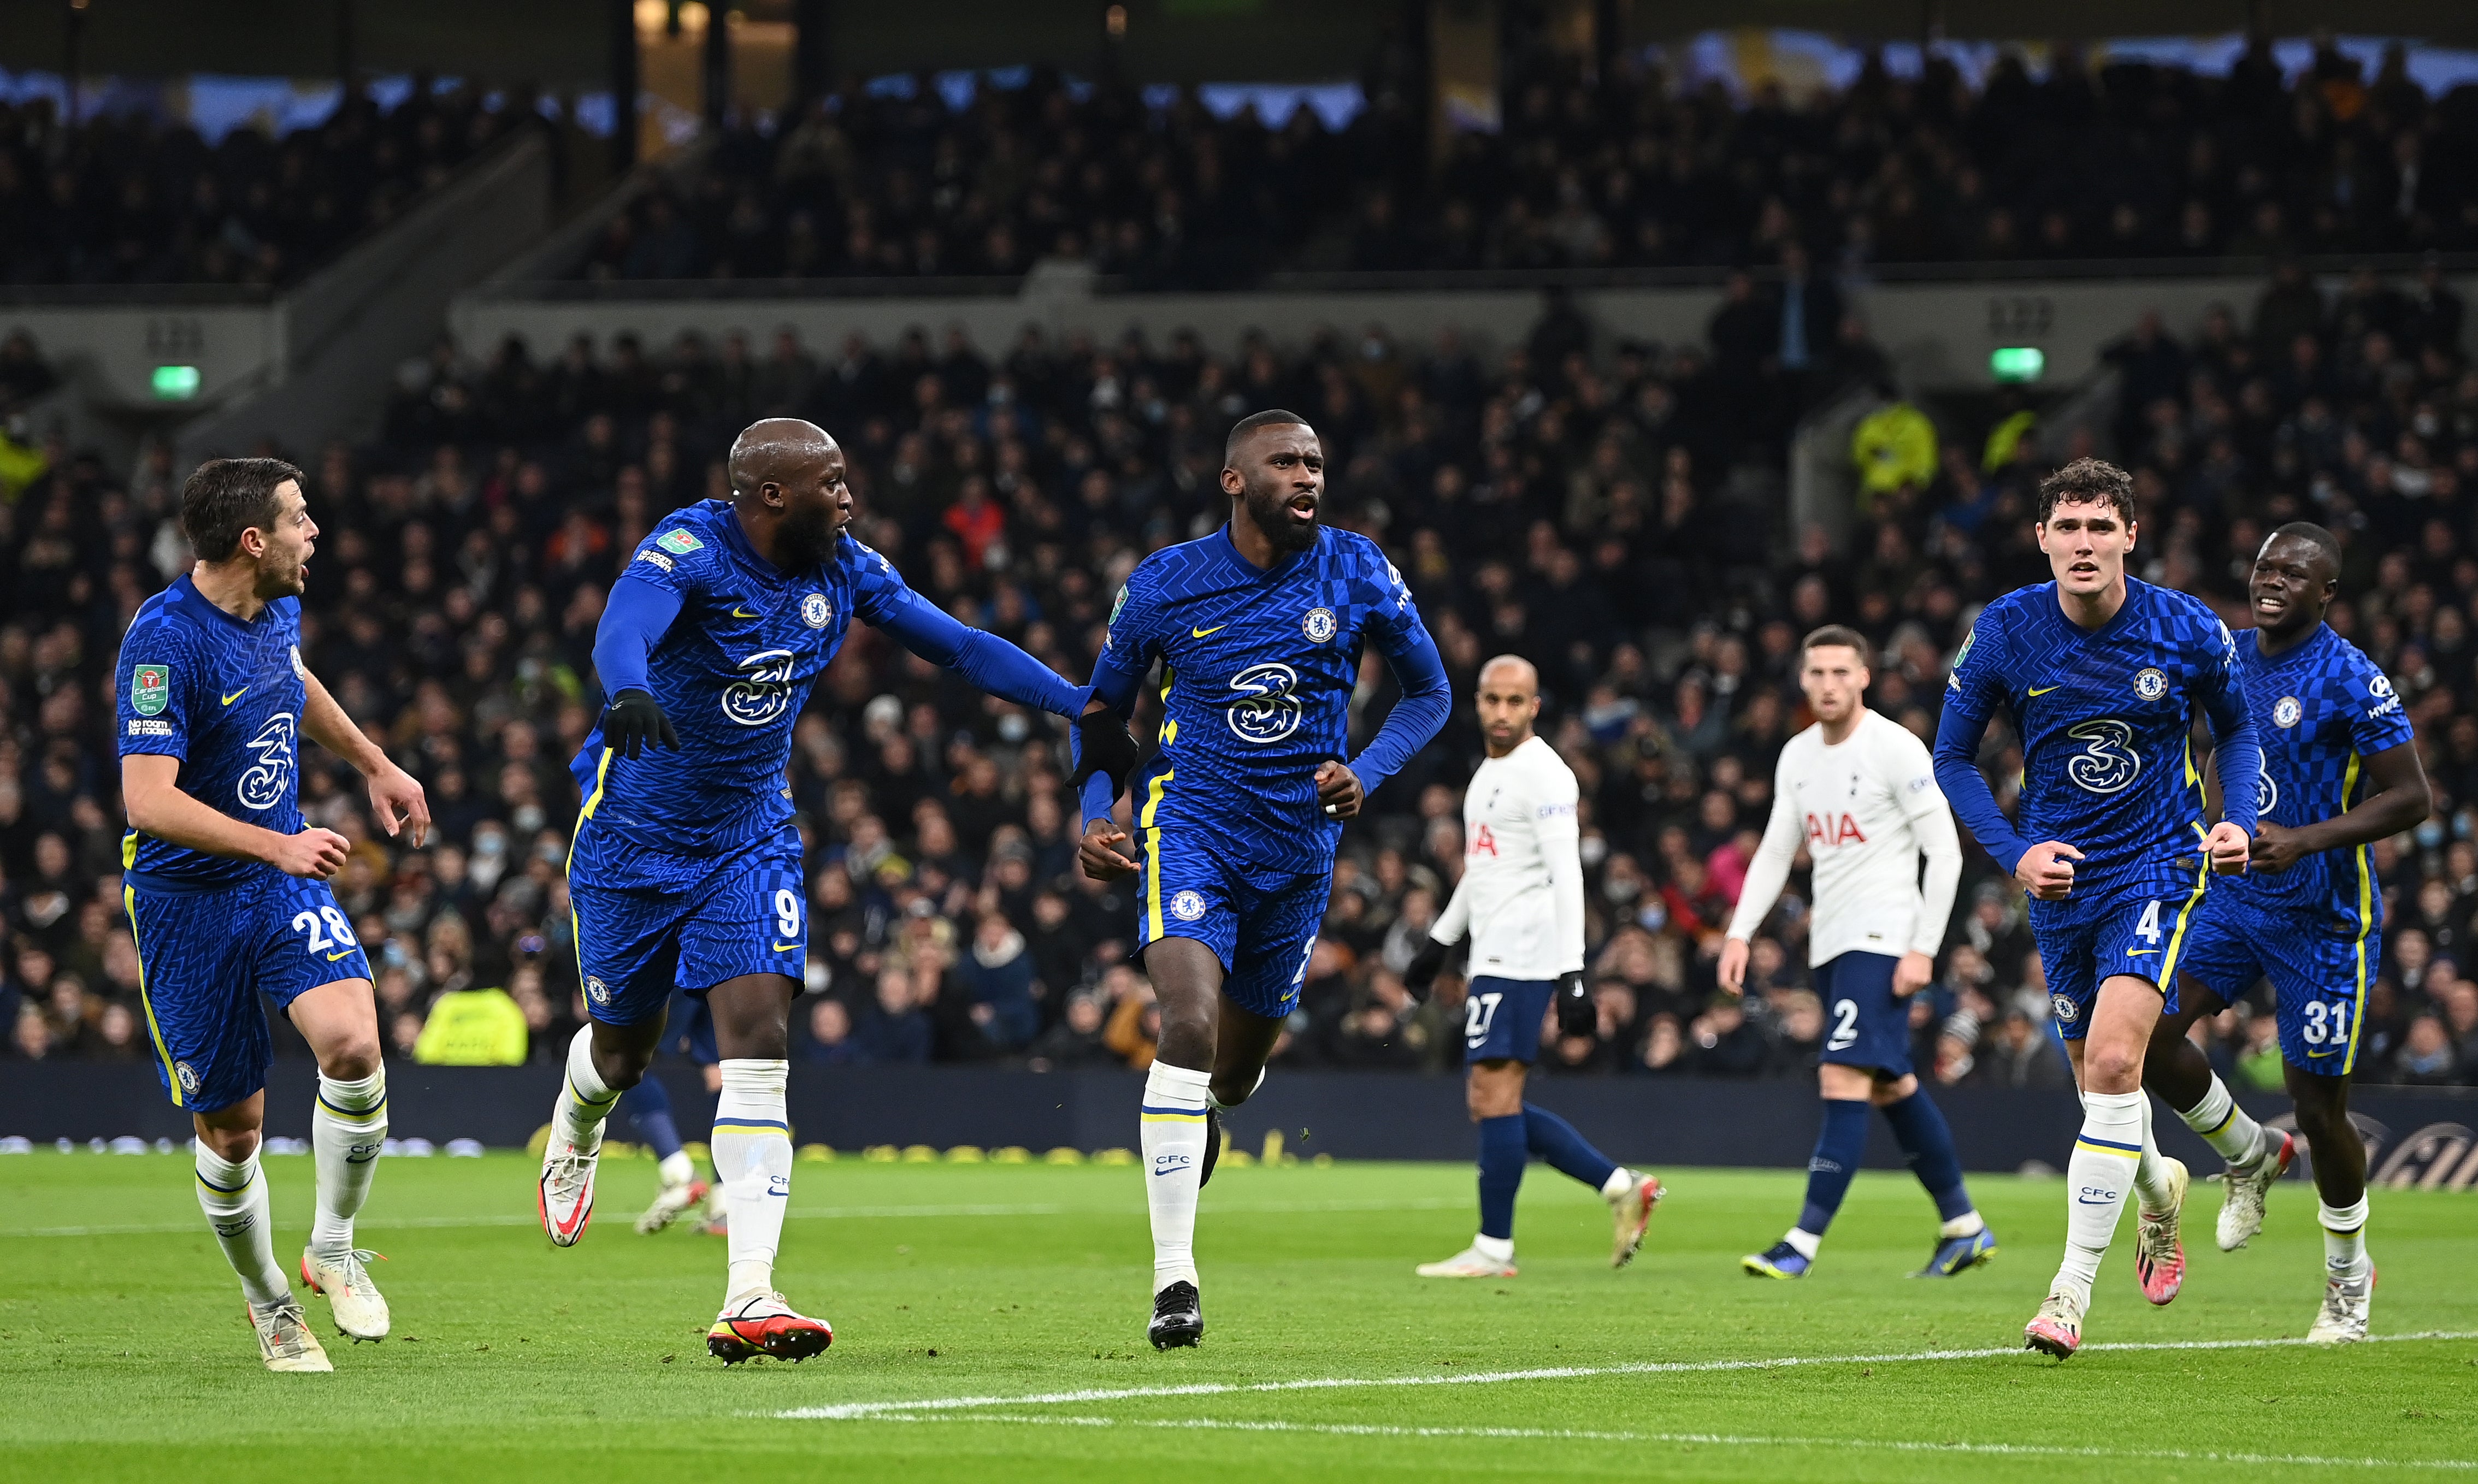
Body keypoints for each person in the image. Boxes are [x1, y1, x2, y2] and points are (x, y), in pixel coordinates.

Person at [537, 418, 1134, 1365]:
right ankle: (580, 1114)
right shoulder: (690, 545)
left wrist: (1087, 709)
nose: (849, 498)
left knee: (759, 1039)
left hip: (750, 836)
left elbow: (964, 648)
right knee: (624, 1050)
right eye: (833, 482)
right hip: (632, 841)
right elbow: (627, 621)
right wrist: (624, 687)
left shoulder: (846, 568)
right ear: (770, 496)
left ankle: (750, 1291)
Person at [1076, 409, 1451, 1349]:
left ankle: (1197, 1108)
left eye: (1316, 461)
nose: (1307, 476)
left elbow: (1430, 691)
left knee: (1234, 1076)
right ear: (1234, 479)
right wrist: (1094, 808)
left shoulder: (1359, 569)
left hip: (1298, 851)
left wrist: (1368, 769)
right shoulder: (1165, 583)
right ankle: (1175, 1280)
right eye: (1286, 461)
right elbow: (1101, 714)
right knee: (1189, 1023)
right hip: (1190, 825)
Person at [1932, 457, 2261, 1360]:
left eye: (2099, 526)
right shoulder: (2004, 630)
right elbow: (1951, 758)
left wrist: (2237, 817)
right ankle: (2160, 1193)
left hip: (2155, 865)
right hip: (2060, 881)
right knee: (2099, 1087)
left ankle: (2067, 1295)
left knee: (2118, 1060)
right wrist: (2015, 853)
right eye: (2066, 527)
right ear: (2042, 538)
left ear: (2129, 534)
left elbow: (2235, 726)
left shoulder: (2183, 627)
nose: (2083, 543)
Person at [115, 457, 432, 1371]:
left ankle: (331, 1246)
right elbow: (146, 800)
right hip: (186, 901)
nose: (315, 533)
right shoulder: (165, 641)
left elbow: (292, 681)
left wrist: (374, 763)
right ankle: (269, 1301)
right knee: (234, 1131)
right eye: (299, 520)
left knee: (355, 1046)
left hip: (276, 880)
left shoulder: (275, 606)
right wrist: (278, 843)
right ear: (253, 541)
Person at [2142, 524, 2427, 1343]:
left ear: (2326, 592)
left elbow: (2411, 797)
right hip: (2231, 897)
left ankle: (2346, 1281)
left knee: (2319, 1107)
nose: (2273, 581)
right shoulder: (2224, 654)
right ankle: (2249, 1151)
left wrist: (2305, 837)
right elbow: (2195, 743)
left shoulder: (2350, 677)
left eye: (2294, 573)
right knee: (2147, 1027)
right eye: (2266, 567)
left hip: (2323, 918)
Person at [1721, 625, 1991, 1280]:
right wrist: (1739, 930)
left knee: (1841, 1077)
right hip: (1834, 942)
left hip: (1883, 938)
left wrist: (1923, 947)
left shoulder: (1895, 749)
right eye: (1817, 673)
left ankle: (1802, 1242)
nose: (1829, 684)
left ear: (1864, 677)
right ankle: (1964, 1225)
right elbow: (1776, 851)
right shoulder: (1797, 756)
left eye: (1842, 672)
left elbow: (1945, 852)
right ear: (1804, 679)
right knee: (1892, 1083)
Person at [1403, 654, 1662, 1279]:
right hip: (1492, 948)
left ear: (1534, 706)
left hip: (1523, 952)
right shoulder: (1488, 774)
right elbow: (1485, 869)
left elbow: (1566, 873)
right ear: (1478, 701)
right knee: (1492, 1099)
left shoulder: (1545, 774)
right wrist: (1439, 941)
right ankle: (1620, 1185)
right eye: (1492, 699)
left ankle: (1494, 1246)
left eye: (1514, 701)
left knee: (1495, 1094)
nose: (1501, 712)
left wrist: (1572, 973)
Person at [622, 989, 721, 1235]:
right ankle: (726, 1205)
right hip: (720, 963)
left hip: (676, 966)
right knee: (720, 1071)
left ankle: (679, 1175)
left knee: (626, 1059)